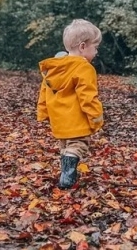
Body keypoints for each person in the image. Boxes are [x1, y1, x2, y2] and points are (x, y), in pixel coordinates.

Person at [37, 19, 104, 189]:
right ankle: (67, 176)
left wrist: (42, 112)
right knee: (78, 146)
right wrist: (96, 118)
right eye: (95, 47)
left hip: (59, 122)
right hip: (77, 121)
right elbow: (88, 97)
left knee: (65, 148)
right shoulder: (84, 68)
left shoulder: (54, 67)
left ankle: (66, 177)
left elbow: (44, 91)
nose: (96, 52)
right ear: (83, 47)